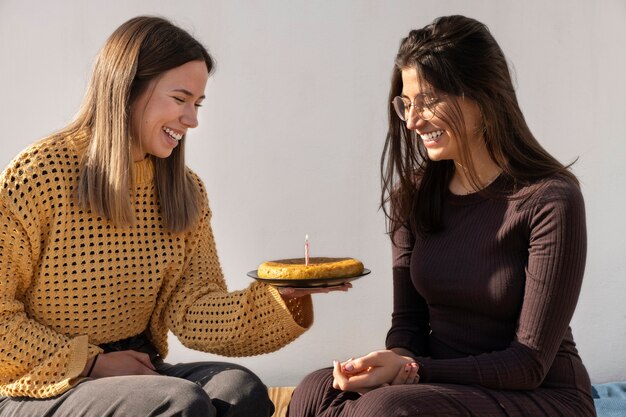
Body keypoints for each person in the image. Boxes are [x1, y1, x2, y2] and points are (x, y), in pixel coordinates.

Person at [0, 16, 347, 417]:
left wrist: (279, 298)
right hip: (40, 383)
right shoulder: (40, 175)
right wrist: (91, 363)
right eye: (180, 99)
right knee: (180, 404)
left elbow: (193, 309)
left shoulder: (184, 190)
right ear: (127, 90)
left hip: (139, 370)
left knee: (242, 390)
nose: (192, 119)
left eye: (197, 104)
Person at [288, 15, 596, 417]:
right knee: (315, 390)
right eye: (406, 103)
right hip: (438, 385)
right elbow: (409, 326)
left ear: (482, 95)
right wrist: (391, 360)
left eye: (429, 99)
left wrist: (413, 371)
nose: (413, 120)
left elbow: (528, 364)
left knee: (383, 409)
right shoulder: (414, 195)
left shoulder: (550, 200)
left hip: (541, 394)